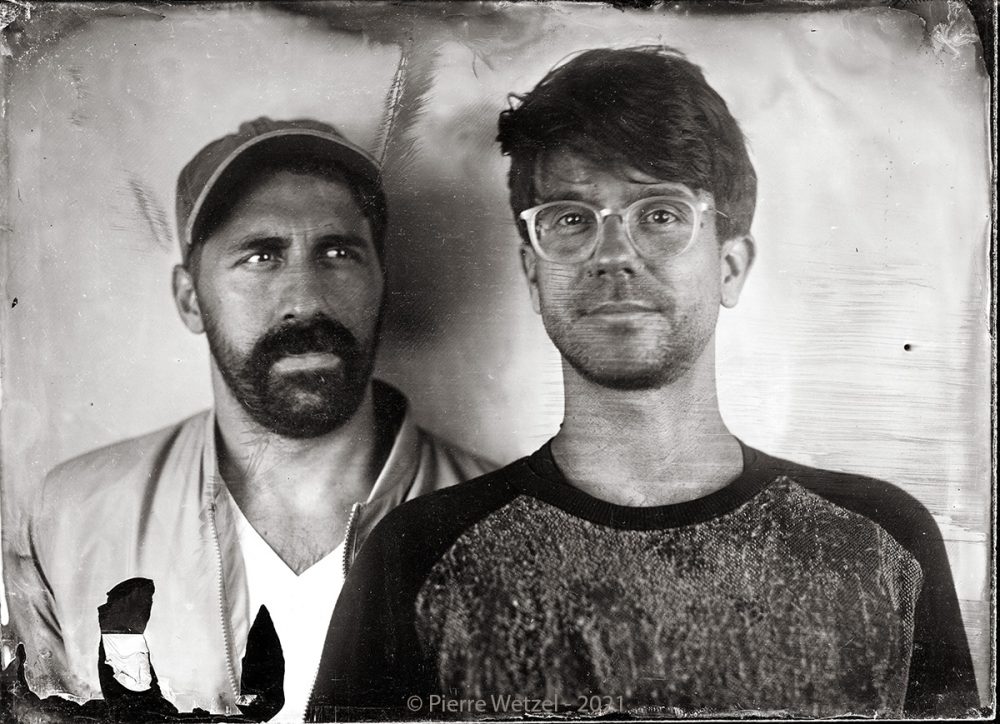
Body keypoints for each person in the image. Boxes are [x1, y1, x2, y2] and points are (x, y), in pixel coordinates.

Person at [307, 47, 979, 719]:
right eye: (571, 219)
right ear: (533, 274)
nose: (613, 256)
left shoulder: (881, 544)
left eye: (660, 214)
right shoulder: (414, 557)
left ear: (731, 267)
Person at [6, 117, 493, 719]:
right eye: (261, 256)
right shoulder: (68, 518)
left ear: (383, 285)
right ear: (190, 299)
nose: (305, 300)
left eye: (338, 253)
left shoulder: (509, 523)